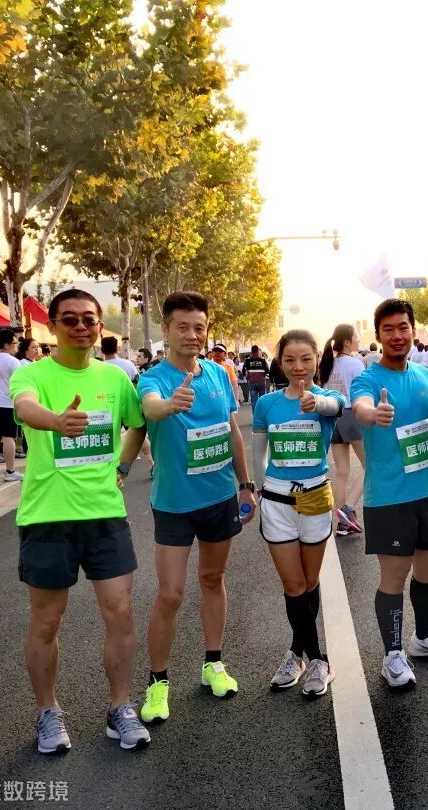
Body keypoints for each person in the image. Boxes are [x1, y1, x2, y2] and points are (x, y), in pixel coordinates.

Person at [10, 288, 151, 753]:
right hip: (47, 518)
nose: (81, 327)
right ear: (52, 326)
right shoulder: (32, 373)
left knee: (121, 612)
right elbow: (25, 407)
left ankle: (120, 708)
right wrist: (56, 421)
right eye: (69, 319)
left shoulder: (115, 379)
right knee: (46, 622)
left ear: (99, 327)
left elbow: (138, 423)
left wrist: (123, 466)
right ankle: (47, 712)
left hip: (105, 515)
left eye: (89, 319)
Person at [135, 292, 257, 724]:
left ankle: (213, 663)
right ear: (166, 329)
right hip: (174, 503)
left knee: (212, 578)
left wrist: (246, 485)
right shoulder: (153, 379)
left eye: (199, 327)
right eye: (182, 327)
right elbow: (150, 407)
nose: (192, 335)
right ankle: (157, 682)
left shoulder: (219, 374)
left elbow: (232, 431)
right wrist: (169, 406)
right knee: (170, 593)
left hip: (219, 498)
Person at [351, 299, 428, 690]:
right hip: (388, 497)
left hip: (425, 492)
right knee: (394, 577)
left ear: (413, 330)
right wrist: (373, 414)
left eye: (403, 327)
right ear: (378, 335)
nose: (397, 335)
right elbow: (361, 406)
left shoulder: (426, 376)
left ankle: (424, 638)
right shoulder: (368, 379)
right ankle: (393, 655)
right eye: (388, 329)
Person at [252, 329, 346, 698]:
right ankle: (319, 658)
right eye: (289, 359)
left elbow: (335, 408)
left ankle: (296, 653)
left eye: (306, 359)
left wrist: (316, 403)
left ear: (316, 360)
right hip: (277, 502)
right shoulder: (267, 404)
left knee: (309, 581)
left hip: (315, 500)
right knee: (293, 585)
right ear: (279, 362)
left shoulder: (328, 398)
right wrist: (259, 490)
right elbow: (259, 451)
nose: (298, 366)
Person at [319, 324, 366, 535]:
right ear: (347, 342)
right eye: (356, 337)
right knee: (370, 465)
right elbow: (363, 394)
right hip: (351, 415)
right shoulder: (355, 364)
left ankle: (342, 522)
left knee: (342, 472)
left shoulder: (327, 364)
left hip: (332, 416)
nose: (358, 339)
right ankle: (348, 507)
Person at [0, 329, 23, 482]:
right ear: (6, 345)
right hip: (8, 404)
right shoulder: (13, 362)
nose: (16, 346)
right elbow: (19, 383)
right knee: (9, 437)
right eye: (14, 343)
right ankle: (10, 471)